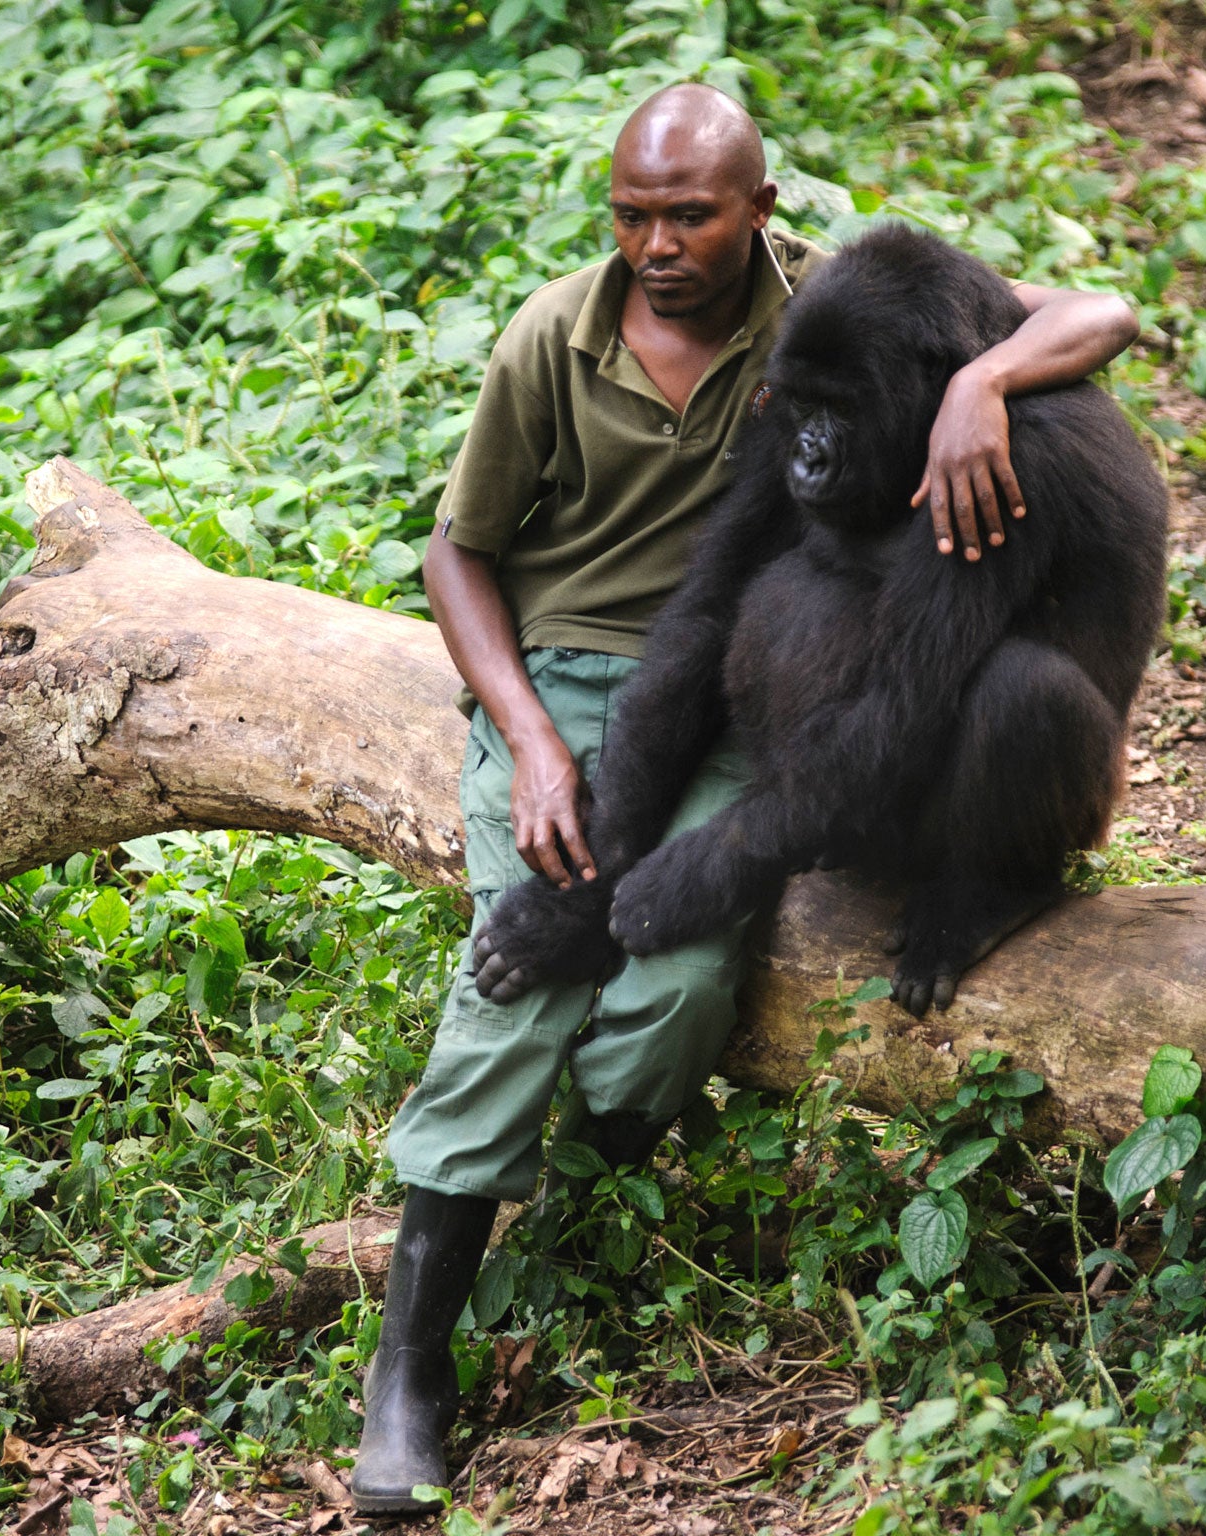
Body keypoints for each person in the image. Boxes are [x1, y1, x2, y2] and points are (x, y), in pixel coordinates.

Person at [349, 82, 1140, 1515]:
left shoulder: (983, 436)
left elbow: (894, 731)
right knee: (531, 964)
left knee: (989, 722)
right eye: (632, 214)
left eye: (690, 212)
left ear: (756, 214)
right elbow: (699, 627)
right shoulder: (769, 353)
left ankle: (988, 895)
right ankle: (412, 1361)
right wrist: (586, 835)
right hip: (603, 694)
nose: (812, 446)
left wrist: (626, 910)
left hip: (987, 773)